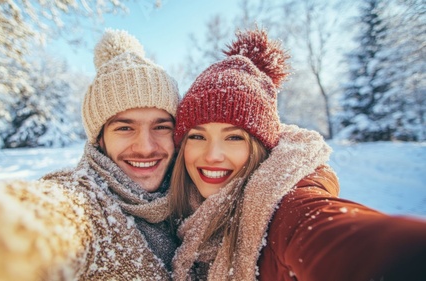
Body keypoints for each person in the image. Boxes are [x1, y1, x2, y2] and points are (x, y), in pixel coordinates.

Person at [168, 28, 426, 281]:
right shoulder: (173, 204)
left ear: (261, 147)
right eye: (197, 136)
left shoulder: (283, 208)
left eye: (234, 137)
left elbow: (345, 242)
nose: (212, 156)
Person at [0, 29, 180, 281]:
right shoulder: (85, 200)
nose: (146, 147)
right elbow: (45, 217)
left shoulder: (189, 196)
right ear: (99, 139)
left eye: (161, 127)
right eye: (125, 128)